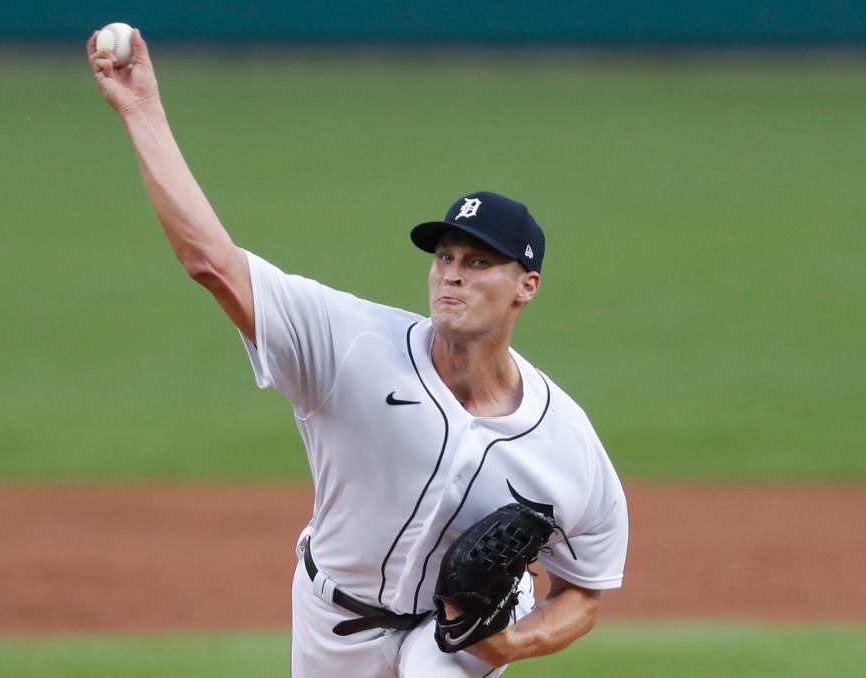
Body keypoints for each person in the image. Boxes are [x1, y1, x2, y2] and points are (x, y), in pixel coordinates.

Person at [88, 29, 628, 678]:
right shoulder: (351, 344)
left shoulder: (565, 443)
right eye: (445, 258)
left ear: (526, 286)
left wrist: (510, 645)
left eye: (479, 262)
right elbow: (212, 263)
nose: (452, 274)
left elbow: (584, 592)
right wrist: (141, 110)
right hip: (333, 620)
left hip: (456, 632)